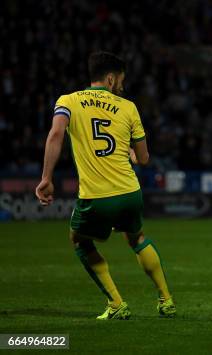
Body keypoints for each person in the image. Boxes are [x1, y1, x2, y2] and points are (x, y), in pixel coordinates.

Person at [35, 51, 175, 320]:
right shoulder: (128, 106)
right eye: (120, 79)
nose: (121, 85)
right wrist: (133, 155)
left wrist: (46, 177)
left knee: (79, 239)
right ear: (110, 78)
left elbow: (55, 135)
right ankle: (166, 300)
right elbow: (144, 158)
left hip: (96, 196)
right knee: (137, 238)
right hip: (130, 192)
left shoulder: (68, 101)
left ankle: (116, 303)